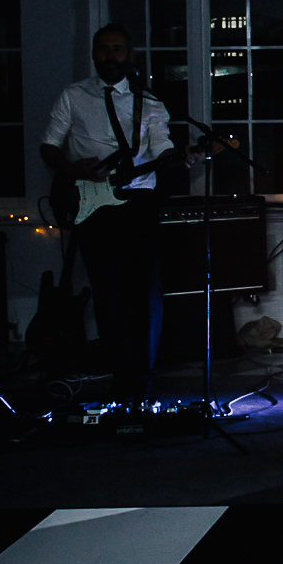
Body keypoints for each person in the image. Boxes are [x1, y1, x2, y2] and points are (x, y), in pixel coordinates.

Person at [40, 24, 182, 401]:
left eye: (118, 49)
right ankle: (122, 375)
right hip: (94, 206)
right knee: (109, 293)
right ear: (93, 53)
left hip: (139, 204)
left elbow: (161, 147)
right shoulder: (73, 96)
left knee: (147, 292)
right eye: (103, 49)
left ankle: (145, 377)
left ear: (130, 55)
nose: (110, 55)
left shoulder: (148, 102)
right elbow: (50, 146)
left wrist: (181, 157)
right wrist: (74, 170)